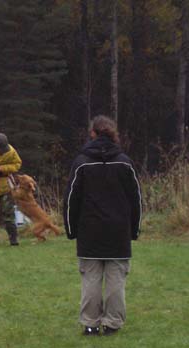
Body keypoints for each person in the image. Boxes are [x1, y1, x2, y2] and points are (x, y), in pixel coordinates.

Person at [63, 116, 142, 336]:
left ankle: (90, 323)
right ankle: (112, 324)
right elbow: (136, 200)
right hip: (118, 231)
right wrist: (134, 230)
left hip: (89, 231)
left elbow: (70, 199)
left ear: (93, 134)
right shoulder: (125, 162)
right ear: (113, 134)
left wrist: (71, 230)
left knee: (91, 279)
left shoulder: (82, 162)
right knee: (116, 279)